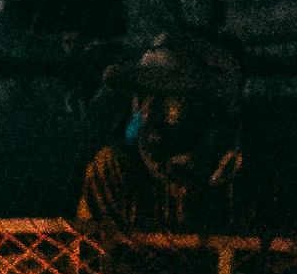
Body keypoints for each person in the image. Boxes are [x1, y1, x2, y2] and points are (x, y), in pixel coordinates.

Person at [79, 26, 254, 234]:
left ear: (211, 107)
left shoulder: (246, 173)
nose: (149, 110)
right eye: (144, 94)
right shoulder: (116, 168)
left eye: (172, 96)